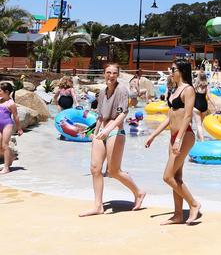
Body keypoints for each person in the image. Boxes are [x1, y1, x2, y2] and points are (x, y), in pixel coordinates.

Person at [79, 63, 146, 217]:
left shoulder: (122, 90)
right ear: (104, 73)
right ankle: (98, 206)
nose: (111, 75)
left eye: (114, 73)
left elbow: (123, 114)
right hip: (101, 131)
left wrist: (108, 129)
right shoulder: (102, 92)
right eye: (108, 72)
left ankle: (139, 192)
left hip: (115, 131)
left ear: (118, 75)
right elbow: (100, 116)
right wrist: (95, 133)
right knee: (95, 169)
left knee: (113, 171)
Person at [145, 59, 201, 224]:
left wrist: (179, 139)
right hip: (173, 137)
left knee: (167, 176)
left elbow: (188, 116)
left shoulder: (188, 89)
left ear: (181, 71)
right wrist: (153, 135)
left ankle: (194, 204)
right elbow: (169, 117)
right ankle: (178, 215)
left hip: (184, 136)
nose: (171, 72)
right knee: (176, 176)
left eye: (173, 69)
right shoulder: (175, 90)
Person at [0, 82, 22, 174]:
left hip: (7, 125)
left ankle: (6, 168)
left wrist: (19, 128)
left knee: (5, 145)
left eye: (0, 90)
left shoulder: (11, 103)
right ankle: (11, 156)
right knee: (0, 146)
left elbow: (16, 116)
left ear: (6, 91)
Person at [192, 71, 209, 142]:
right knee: (200, 124)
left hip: (196, 106)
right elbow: (209, 97)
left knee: (198, 125)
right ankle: (198, 137)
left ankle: (202, 141)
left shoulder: (194, 86)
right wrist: (216, 107)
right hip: (204, 106)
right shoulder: (206, 86)